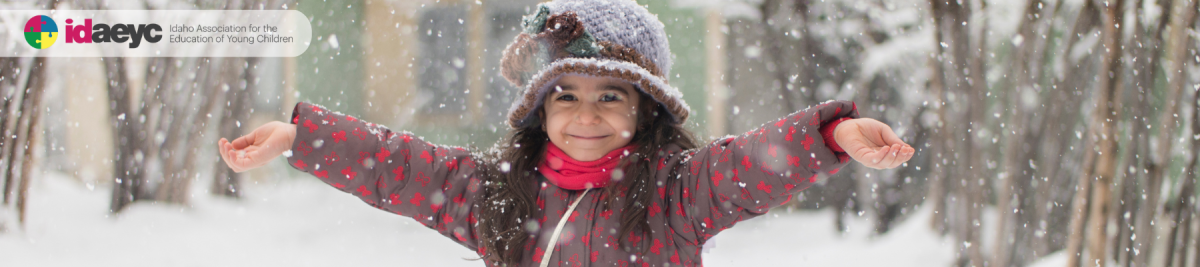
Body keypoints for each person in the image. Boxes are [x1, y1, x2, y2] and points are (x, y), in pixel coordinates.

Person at [217, 0, 914, 266]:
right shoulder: (495, 196)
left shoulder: (678, 196)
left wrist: (832, 135)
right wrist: (298, 136)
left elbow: (750, 165)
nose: (587, 116)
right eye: (566, 96)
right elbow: (400, 166)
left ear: (647, 111)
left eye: (612, 96)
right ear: (539, 110)